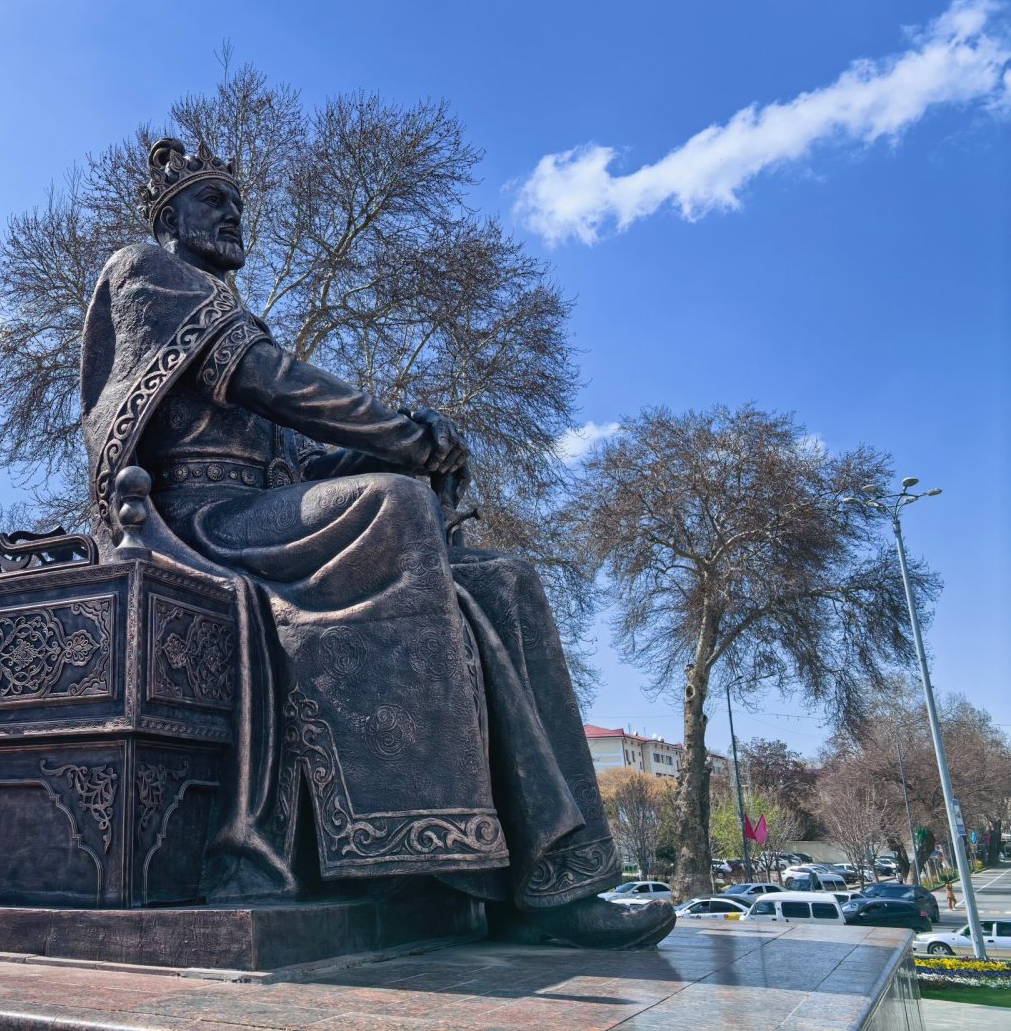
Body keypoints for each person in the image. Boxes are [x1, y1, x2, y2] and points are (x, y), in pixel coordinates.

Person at [79, 138, 675, 950]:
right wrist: (402, 441)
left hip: (265, 513)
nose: (232, 215)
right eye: (212, 201)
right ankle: (413, 844)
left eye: (239, 204)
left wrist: (411, 452)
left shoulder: (226, 310)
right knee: (392, 505)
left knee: (505, 578)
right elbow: (272, 381)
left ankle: (550, 883)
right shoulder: (146, 272)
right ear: (169, 218)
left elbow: (300, 462)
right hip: (198, 523)